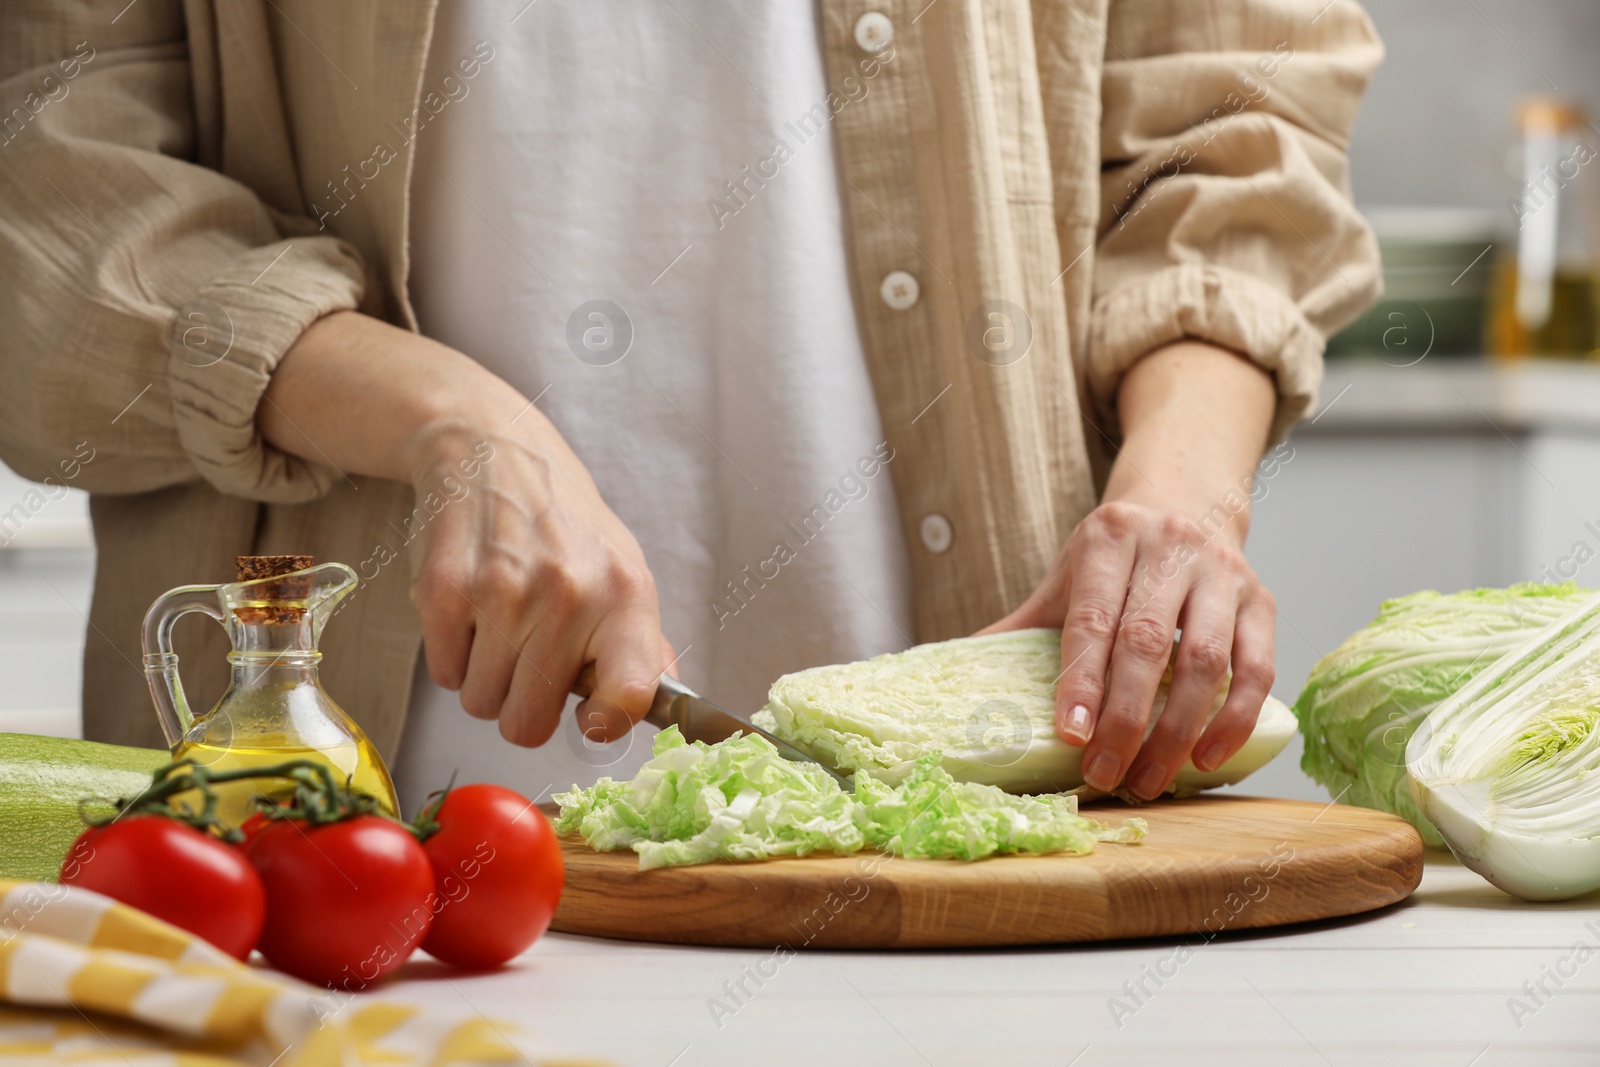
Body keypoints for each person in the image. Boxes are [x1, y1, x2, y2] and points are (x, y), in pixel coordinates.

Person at [0, 2, 1382, 812]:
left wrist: (1180, 495)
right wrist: (449, 421)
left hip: (982, 841)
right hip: (361, 853)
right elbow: (52, 162)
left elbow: (1237, 120)